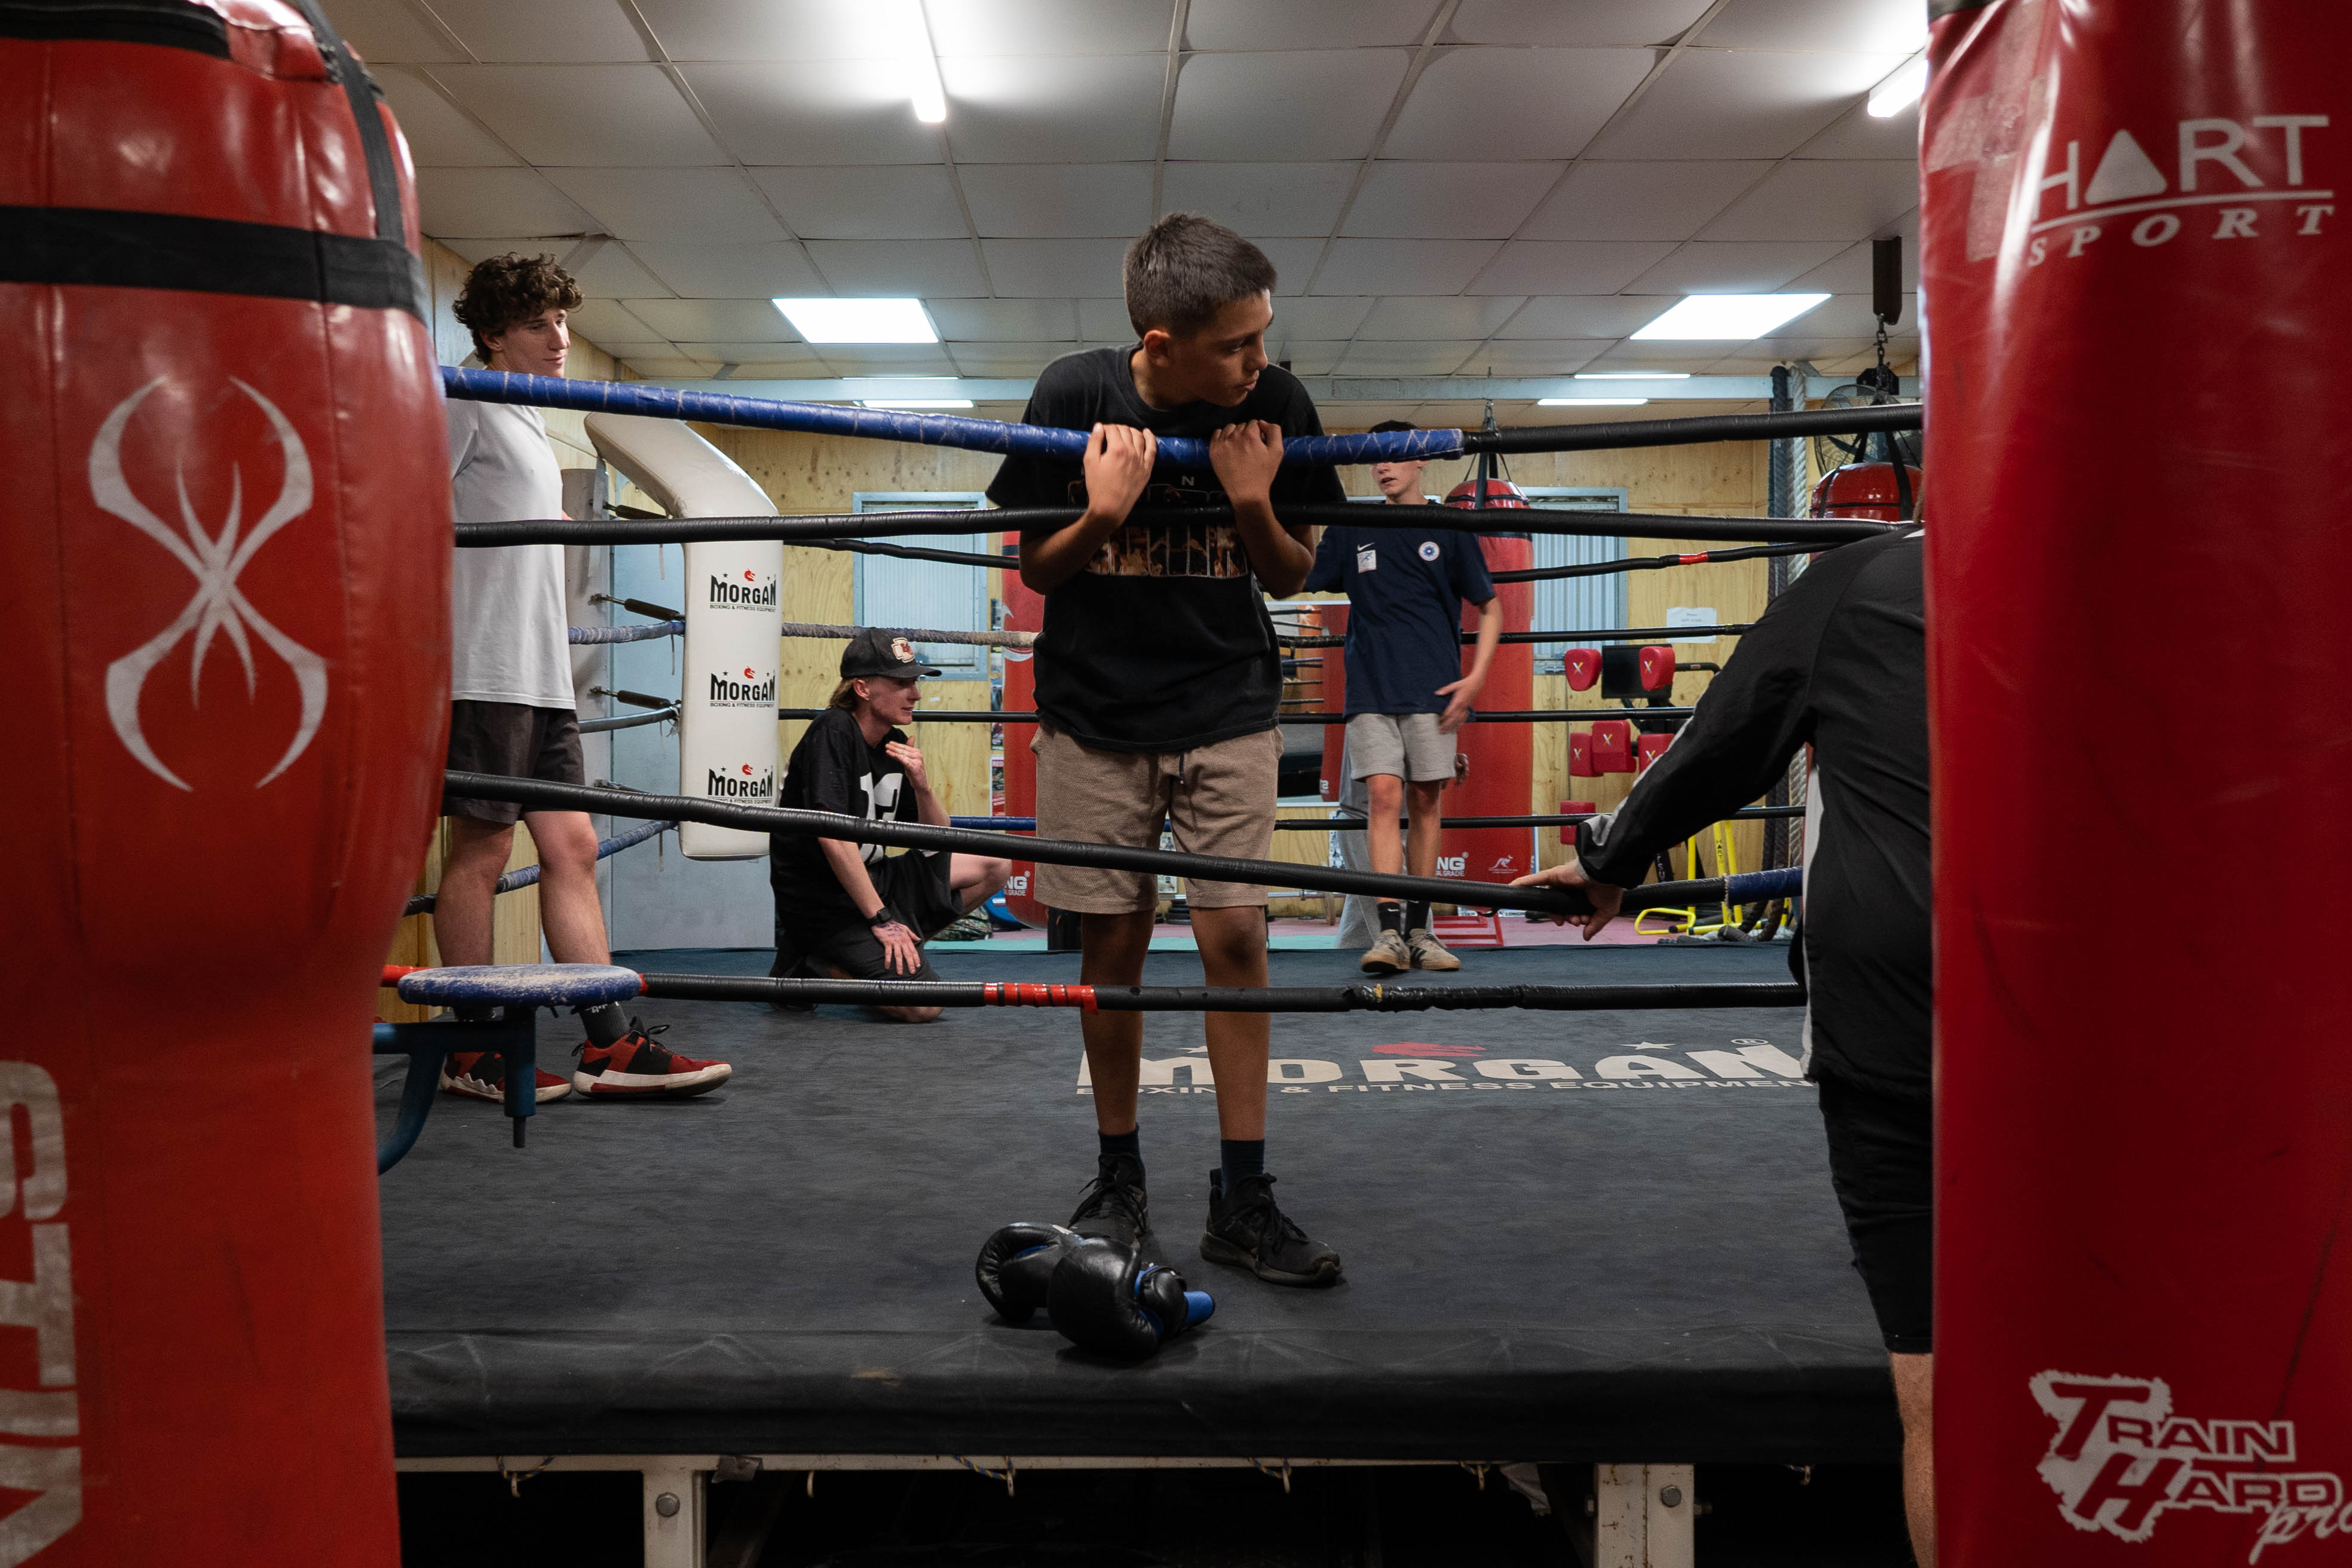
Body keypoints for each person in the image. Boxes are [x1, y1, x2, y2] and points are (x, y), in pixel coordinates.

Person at [1510, 526, 1934, 1564]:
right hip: (2133, 1022)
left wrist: (1614, 855)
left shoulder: (1870, 573)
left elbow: (1729, 734)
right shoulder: (2190, 568)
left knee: (1943, 1388)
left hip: (1901, 1013)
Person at [986, 212, 1345, 1287]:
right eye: (1236, 343)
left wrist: (1247, 500)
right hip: (1095, 716)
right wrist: (1102, 514)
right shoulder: (1073, 393)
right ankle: (1119, 1176)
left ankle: (1243, 1193)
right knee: (1114, 952)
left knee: (1236, 937)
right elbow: (1040, 573)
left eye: (1262, 335)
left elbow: (1290, 575)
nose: (1259, 360)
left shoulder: (1273, 405)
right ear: (1158, 341)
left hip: (1228, 705)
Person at [437, 253, 731, 1101]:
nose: (560, 338)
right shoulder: (465, 399)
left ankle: (608, 1043)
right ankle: (470, 1047)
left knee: (573, 846)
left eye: (564, 321)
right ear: (493, 333)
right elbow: (408, 505)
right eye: (538, 324)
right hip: (482, 669)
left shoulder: (528, 413)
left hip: (541, 675)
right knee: (485, 851)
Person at [1304, 420, 1501, 973]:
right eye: (1376, 460)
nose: (1384, 467)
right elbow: (1297, 574)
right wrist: (1277, 502)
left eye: (1395, 458)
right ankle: (1388, 935)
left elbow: (1490, 607)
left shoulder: (1448, 526)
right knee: (1384, 798)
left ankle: (1421, 930)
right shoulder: (1354, 526)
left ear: (1421, 463)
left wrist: (1476, 678)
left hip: (1434, 689)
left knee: (1425, 801)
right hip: (1370, 688)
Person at [767, 630, 1012, 1023]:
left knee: (995, 866)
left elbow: (938, 840)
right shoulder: (834, 730)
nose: (915, 694)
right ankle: (815, 968)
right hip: (826, 903)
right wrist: (882, 920)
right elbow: (833, 839)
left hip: (875, 879)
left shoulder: (891, 742)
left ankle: (897, 953)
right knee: (923, 1006)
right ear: (862, 688)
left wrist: (922, 785)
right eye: (901, 684)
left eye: (915, 683)